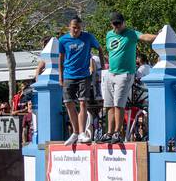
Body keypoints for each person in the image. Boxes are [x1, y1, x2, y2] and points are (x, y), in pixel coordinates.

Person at [102, 12, 158, 143]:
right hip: (111, 73)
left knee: (118, 104)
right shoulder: (109, 35)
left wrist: (159, 35)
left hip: (124, 73)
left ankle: (117, 133)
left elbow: (145, 37)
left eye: (119, 23)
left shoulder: (131, 33)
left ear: (124, 22)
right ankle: (109, 133)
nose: (117, 26)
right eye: (115, 24)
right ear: (111, 24)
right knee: (109, 105)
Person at [58, 16, 105, 147]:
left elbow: (100, 49)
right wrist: (60, 77)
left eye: (79, 28)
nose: (76, 30)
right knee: (68, 103)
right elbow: (61, 59)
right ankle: (75, 131)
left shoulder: (88, 37)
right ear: (69, 27)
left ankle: (82, 132)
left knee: (83, 102)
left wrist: (103, 68)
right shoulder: (63, 40)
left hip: (84, 75)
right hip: (68, 75)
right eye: (74, 27)